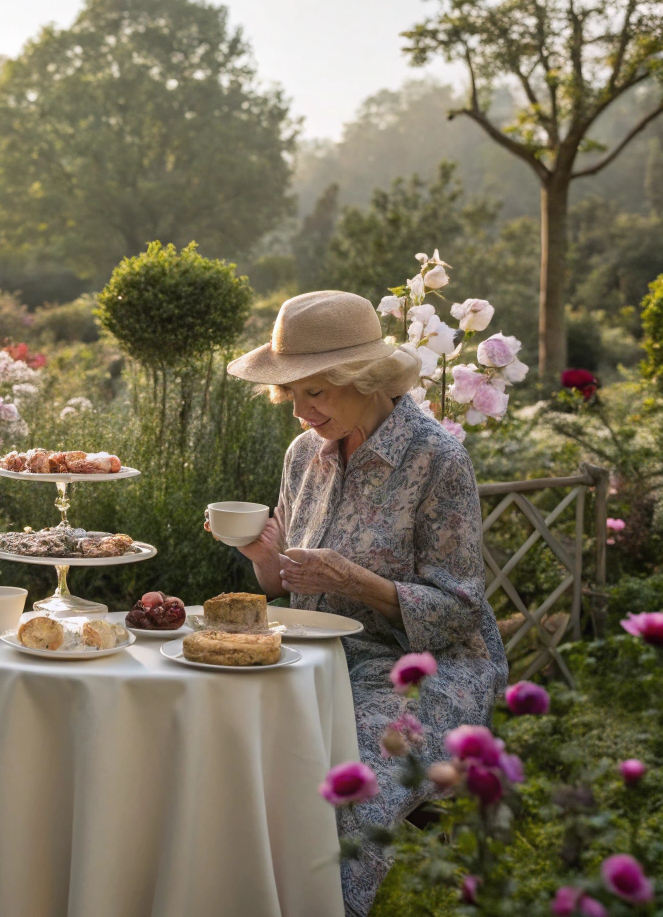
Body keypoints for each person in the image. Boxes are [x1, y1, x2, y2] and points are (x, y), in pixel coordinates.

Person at [206, 290, 507, 917]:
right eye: (290, 393)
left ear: (365, 378)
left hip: (423, 671)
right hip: (319, 657)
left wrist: (358, 582)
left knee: (345, 792)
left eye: (314, 391)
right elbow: (287, 587)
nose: (299, 411)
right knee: (222, 757)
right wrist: (265, 558)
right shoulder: (303, 455)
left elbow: (459, 610)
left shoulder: (437, 458)